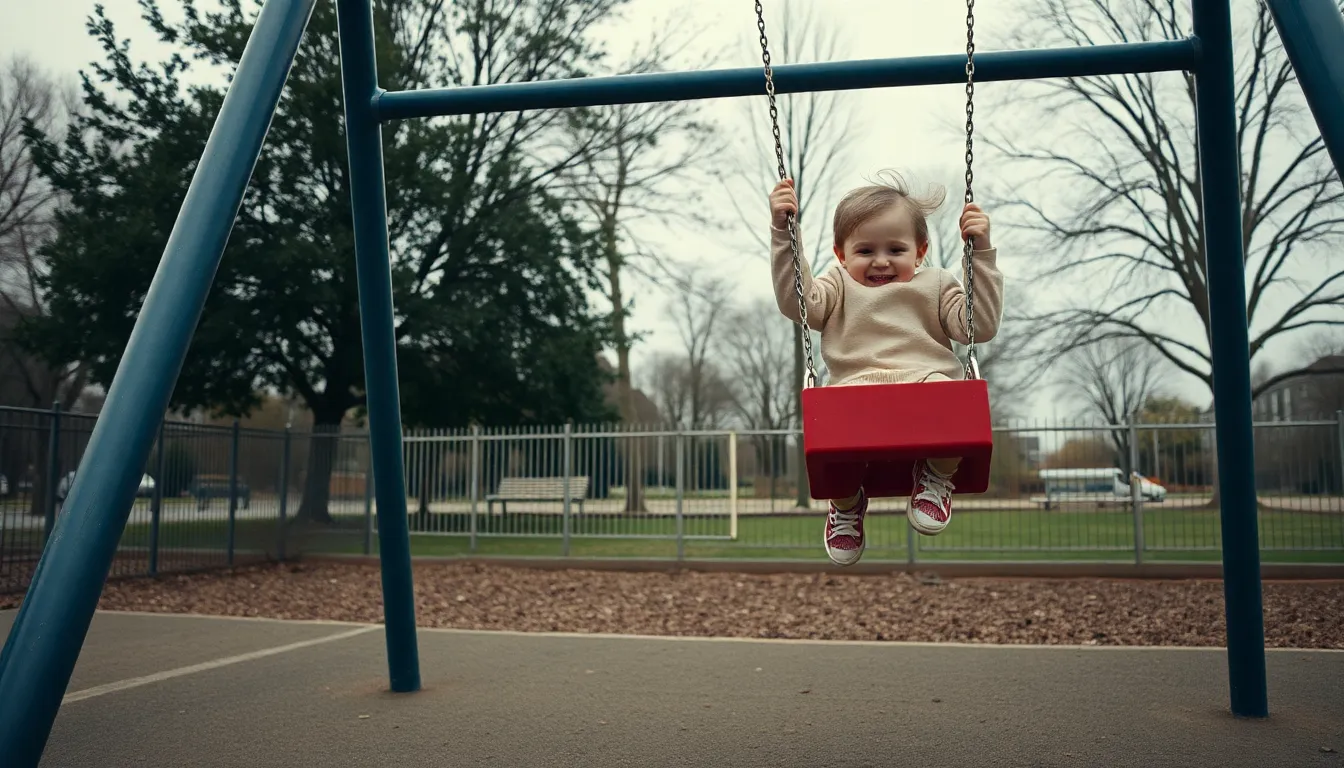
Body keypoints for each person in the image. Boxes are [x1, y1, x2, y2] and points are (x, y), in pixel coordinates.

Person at [768, 172, 1003, 566]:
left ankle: (937, 475)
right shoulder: (838, 285)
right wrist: (783, 232)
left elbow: (977, 326)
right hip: (854, 390)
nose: (881, 261)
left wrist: (980, 255)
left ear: (920, 251)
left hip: (925, 382)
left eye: (896, 249)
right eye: (865, 251)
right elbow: (801, 302)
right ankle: (846, 504)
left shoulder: (937, 283)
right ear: (841, 255)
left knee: (953, 398)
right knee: (832, 437)